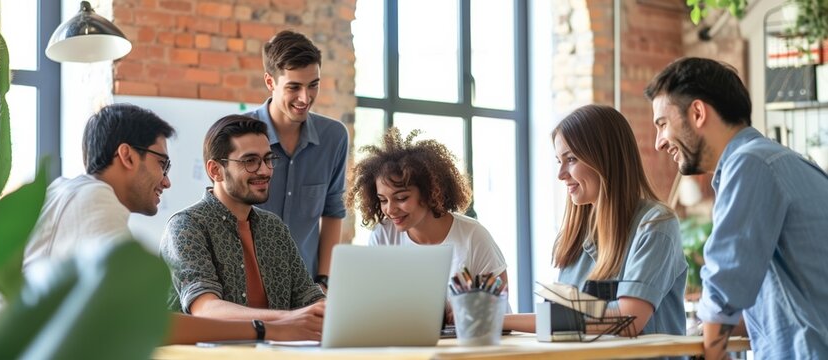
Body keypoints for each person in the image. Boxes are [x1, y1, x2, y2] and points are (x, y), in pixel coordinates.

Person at [0, 104, 313, 343]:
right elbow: (143, 322)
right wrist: (268, 328)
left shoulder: (71, 194)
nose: (166, 182)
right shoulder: (93, 199)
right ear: (127, 156)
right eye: (162, 164)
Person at [645, 57, 828, 358]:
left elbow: (724, 284)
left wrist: (710, 343)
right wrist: (702, 332)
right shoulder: (779, 162)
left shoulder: (750, 163)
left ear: (698, 112)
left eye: (662, 124)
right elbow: (783, 300)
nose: (658, 142)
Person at [504, 105, 687, 338]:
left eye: (571, 159)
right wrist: (500, 321)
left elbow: (627, 320)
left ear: (604, 158)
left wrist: (506, 321)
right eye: (559, 160)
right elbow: (563, 322)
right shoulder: (575, 239)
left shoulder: (656, 225)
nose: (561, 174)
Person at [160, 115, 325, 337]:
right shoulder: (187, 226)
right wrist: (287, 319)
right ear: (215, 170)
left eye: (268, 159)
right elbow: (206, 309)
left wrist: (332, 311)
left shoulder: (273, 228)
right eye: (250, 161)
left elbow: (308, 297)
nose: (265, 170)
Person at [345, 128, 508, 302]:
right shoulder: (383, 235)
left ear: (429, 193)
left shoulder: (473, 236)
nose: (390, 210)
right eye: (383, 200)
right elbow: (376, 299)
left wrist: (466, 307)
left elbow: (499, 297)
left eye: (401, 198)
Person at [243, 30, 349, 287]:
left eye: (313, 85)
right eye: (294, 87)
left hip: (306, 290)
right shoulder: (238, 134)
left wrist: (324, 281)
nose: (305, 97)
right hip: (248, 288)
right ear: (270, 82)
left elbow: (333, 212)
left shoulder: (334, 138)